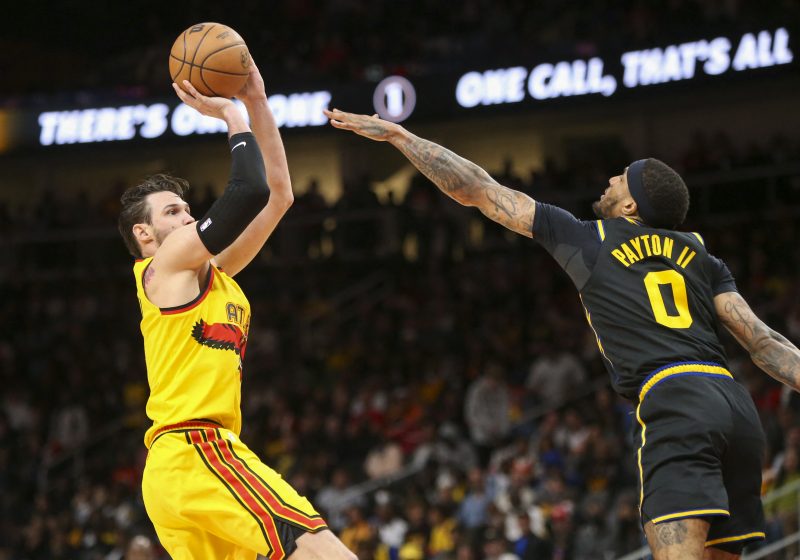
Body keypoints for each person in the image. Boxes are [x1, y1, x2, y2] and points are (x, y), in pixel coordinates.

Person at [323, 107, 800, 559]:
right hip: (736, 405)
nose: (609, 180)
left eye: (620, 179)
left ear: (631, 204)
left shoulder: (590, 238)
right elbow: (764, 343)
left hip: (675, 399)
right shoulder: (703, 256)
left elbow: (477, 189)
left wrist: (401, 137)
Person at [116, 67, 356, 560]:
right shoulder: (164, 264)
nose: (188, 215)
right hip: (195, 450)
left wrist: (258, 101)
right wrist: (229, 113)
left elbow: (278, 195)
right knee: (322, 550)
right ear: (144, 235)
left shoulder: (209, 271)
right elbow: (246, 192)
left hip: (180, 468)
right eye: (172, 212)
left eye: (187, 209)